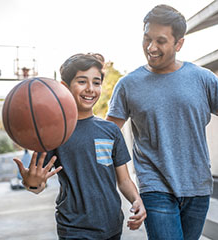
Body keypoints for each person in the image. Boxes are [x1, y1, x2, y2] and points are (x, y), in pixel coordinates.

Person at [106, 4, 218, 240]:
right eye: (146, 38)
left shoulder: (203, 78)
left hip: (197, 186)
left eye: (160, 40)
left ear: (179, 43)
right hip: (154, 187)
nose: (150, 47)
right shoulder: (128, 85)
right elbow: (109, 136)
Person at [13, 53, 146, 239]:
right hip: (74, 228)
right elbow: (38, 184)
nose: (91, 89)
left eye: (97, 82)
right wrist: (31, 182)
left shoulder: (111, 131)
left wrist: (136, 199)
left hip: (112, 226)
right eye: (82, 82)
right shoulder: (54, 133)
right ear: (64, 87)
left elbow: (123, 180)